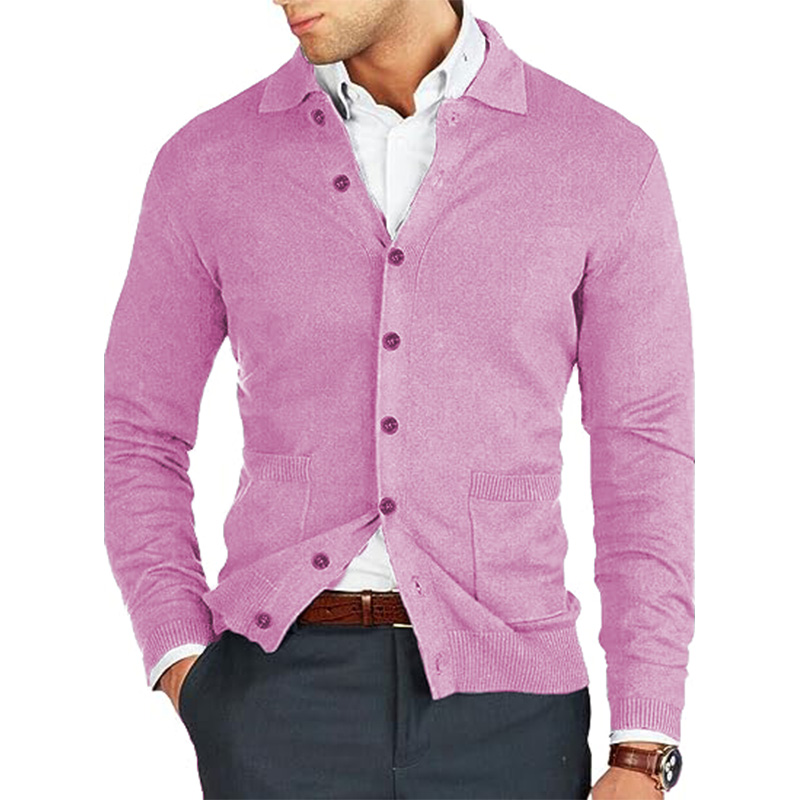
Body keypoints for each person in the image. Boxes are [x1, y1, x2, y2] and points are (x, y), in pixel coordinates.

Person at [104, 1, 694, 797]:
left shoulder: (602, 160)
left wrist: (642, 747)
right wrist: (181, 657)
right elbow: (141, 430)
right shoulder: (207, 163)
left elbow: (644, 452)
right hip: (273, 698)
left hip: (515, 708)